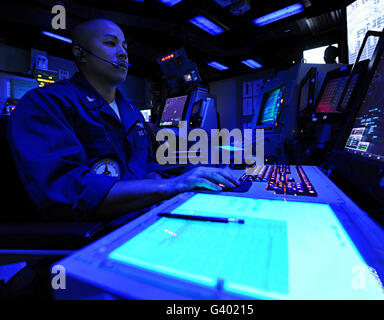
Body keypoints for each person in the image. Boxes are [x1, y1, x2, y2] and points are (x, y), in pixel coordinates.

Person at [7, 19, 239, 222]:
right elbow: (66, 191)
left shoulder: (131, 112)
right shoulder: (45, 103)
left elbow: (150, 164)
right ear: (80, 53)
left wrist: (172, 182)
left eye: (125, 46)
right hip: (97, 231)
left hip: (146, 214)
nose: (123, 53)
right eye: (110, 43)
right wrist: (170, 186)